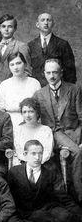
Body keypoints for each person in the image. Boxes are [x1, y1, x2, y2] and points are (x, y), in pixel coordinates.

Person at [8, 140, 82, 222]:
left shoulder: (50, 173)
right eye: (33, 154)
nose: (37, 158)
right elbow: (9, 197)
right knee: (37, 219)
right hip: (25, 212)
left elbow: (63, 197)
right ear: (25, 154)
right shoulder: (14, 172)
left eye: (40, 154)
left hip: (47, 208)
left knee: (65, 216)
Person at [33, 59, 82, 202]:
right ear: (44, 74)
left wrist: (80, 138)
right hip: (53, 134)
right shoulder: (39, 94)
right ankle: (79, 197)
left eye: (55, 72)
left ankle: (72, 193)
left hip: (74, 131)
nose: (52, 76)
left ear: (61, 72)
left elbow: (81, 118)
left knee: (78, 151)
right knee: (79, 153)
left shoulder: (74, 89)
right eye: (48, 73)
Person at [28, 13, 76, 86]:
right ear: (37, 24)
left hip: (57, 87)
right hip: (37, 88)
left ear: (53, 24)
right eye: (42, 20)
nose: (46, 23)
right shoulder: (30, 45)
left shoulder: (62, 44)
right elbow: (27, 70)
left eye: (49, 20)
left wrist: (68, 90)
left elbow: (70, 71)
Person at [0, 52, 41, 127]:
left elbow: (39, 109)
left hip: (30, 123)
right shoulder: (4, 85)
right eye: (12, 64)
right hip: (9, 124)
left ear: (25, 64)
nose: (15, 67)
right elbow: (1, 111)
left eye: (18, 63)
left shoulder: (34, 83)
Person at [13, 98, 54, 167]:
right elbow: (19, 151)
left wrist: (36, 163)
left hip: (42, 165)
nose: (27, 115)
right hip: (23, 165)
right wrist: (29, 164)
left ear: (37, 113)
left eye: (31, 111)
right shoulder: (18, 130)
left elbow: (47, 152)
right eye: (24, 112)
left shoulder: (46, 130)